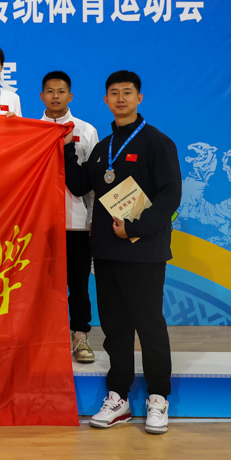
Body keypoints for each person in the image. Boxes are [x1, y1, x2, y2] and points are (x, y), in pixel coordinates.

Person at [63, 70, 181, 435]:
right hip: (107, 253)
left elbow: (170, 198)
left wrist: (134, 228)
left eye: (127, 92)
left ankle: (158, 397)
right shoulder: (103, 149)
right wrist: (65, 146)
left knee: (149, 326)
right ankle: (119, 397)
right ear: (106, 100)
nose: (120, 98)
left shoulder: (157, 143)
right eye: (113, 93)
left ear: (139, 98)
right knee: (114, 329)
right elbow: (79, 184)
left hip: (144, 253)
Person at [38, 71, 99, 363]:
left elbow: (94, 182)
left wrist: (93, 219)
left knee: (78, 286)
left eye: (61, 91)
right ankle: (43, 339)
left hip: (76, 223)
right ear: (41, 96)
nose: (55, 96)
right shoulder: (31, 130)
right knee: (42, 286)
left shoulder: (86, 130)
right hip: (39, 224)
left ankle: (80, 338)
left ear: (70, 96)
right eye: (50, 91)